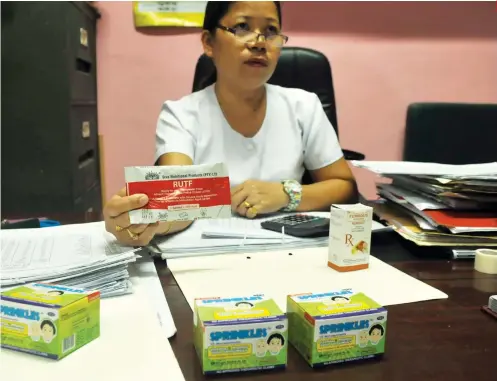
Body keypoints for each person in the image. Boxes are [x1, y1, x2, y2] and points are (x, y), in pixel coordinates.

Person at [104, 1, 358, 247]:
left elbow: (344, 188)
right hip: (206, 257)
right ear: (208, 42)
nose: (259, 42)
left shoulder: (304, 106)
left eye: (271, 31)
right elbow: (178, 203)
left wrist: (286, 195)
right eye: (242, 27)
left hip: (288, 250)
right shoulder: (181, 114)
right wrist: (143, 224)